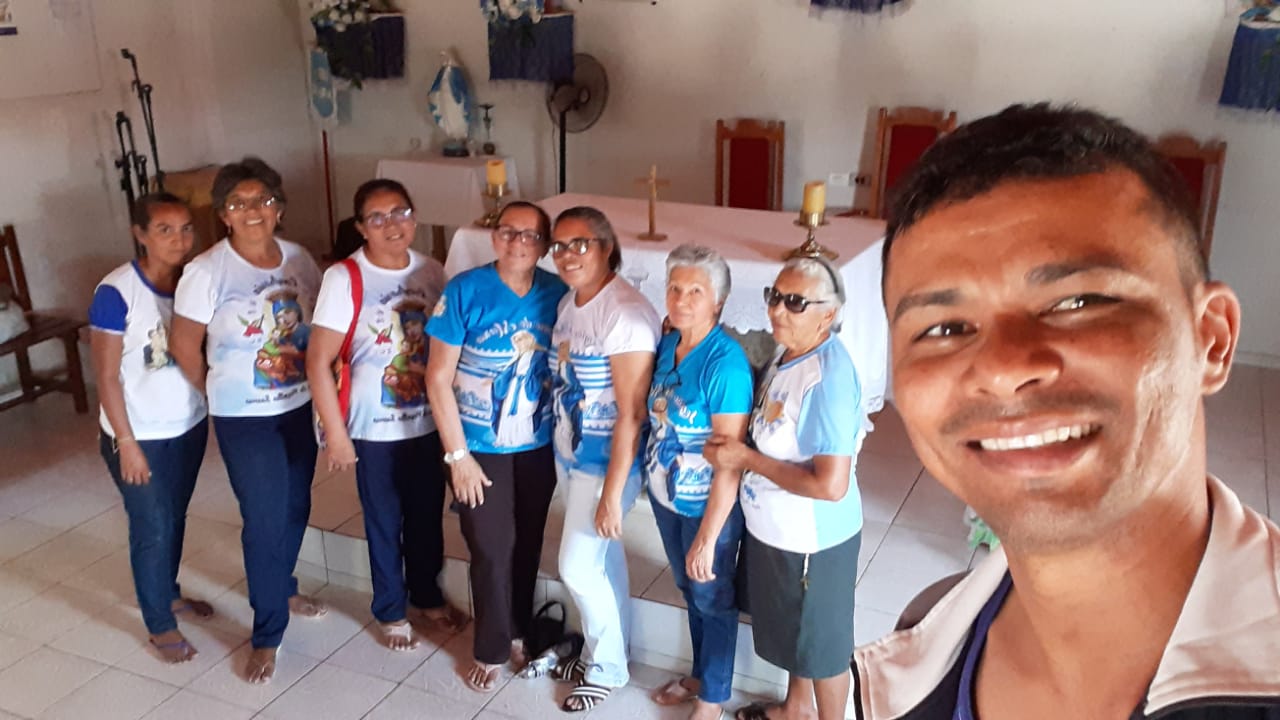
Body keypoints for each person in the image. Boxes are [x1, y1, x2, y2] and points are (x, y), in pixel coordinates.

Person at [853, 103, 1280, 719]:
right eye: (944, 328)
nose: (1003, 367)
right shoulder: (917, 658)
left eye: (1078, 301)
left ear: (1210, 339)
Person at [170, 157, 325, 684]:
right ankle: (267, 632)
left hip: (299, 406)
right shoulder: (206, 271)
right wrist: (218, 390)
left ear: (279, 207)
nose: (252, 210)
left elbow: (318, 327)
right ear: (223, 214)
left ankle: (282, 584)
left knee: (297, 504)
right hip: (244, 417)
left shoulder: (300, 259)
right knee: (263, 517)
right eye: (238, 203)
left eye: (263, 200)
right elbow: (184, 346)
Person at [307, 179, 465, 653]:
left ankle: (426, 594)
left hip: (428, 419)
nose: (391, 224)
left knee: (426, 514)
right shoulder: (345, 278)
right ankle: (391, 608)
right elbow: (318, 362)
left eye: (400, 212)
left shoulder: (432, 271)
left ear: (414, 217)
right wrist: (337, 434)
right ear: (361, 227)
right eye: (377, 217)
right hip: (372, 425)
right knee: (384, 518)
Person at [704, 257, 864, 720]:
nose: (777, 309)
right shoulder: (789, 351)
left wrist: (746, 459)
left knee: (823, 646)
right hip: (777, 529)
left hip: (813, 540)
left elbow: (830, 485)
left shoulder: (828, 379)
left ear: (827, 315)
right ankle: (796, 708)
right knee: (797, 632)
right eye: (774, 296)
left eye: (795, 302)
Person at [425, 201, 566, 692]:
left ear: (544, 246)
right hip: (476, 445)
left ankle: (519, 630)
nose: (518, 242)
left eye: (531, 235)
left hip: (537, 444)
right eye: (509, 231)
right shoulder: (465, 290)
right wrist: (457, 457)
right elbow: (437, 378)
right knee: (490, 544)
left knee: (526, 541)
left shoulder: (557, 292)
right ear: (494, 236)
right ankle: (490, 645)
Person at [88, 193, 213, 664]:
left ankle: (168, 592)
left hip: (188, 426)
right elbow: (105, 376)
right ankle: (159, 623)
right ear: (140, 234)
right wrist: (127, 443)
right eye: (164, 229)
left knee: (174, 516)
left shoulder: (194, 283)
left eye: (185, 228)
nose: (179, 240)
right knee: (152, 525)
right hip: (137, 435)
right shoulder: (116, 292)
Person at [549, 206, 660, 712]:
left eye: (580, 244)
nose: (567, 255)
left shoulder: (625, 314)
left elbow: (632, 414)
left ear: (606, 247)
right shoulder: (571, 303)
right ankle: (606, 652)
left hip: (605, 460)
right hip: (572, 449)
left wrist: (613, 493)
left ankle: (608, 669)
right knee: (601, 559)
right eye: (559, 246)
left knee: (575, 566)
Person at [645, 245, 753, 720]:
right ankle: (699, 674)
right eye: (675, 288)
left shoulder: (725, 365)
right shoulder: (668, 345)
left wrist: (709, 537)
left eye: (695, 291)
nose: (681, 299)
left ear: (718, 302)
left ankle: (712, 699)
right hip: (666, 495)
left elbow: (730, 461)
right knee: (690, 589)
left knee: (712, 593)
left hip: (707, 504)